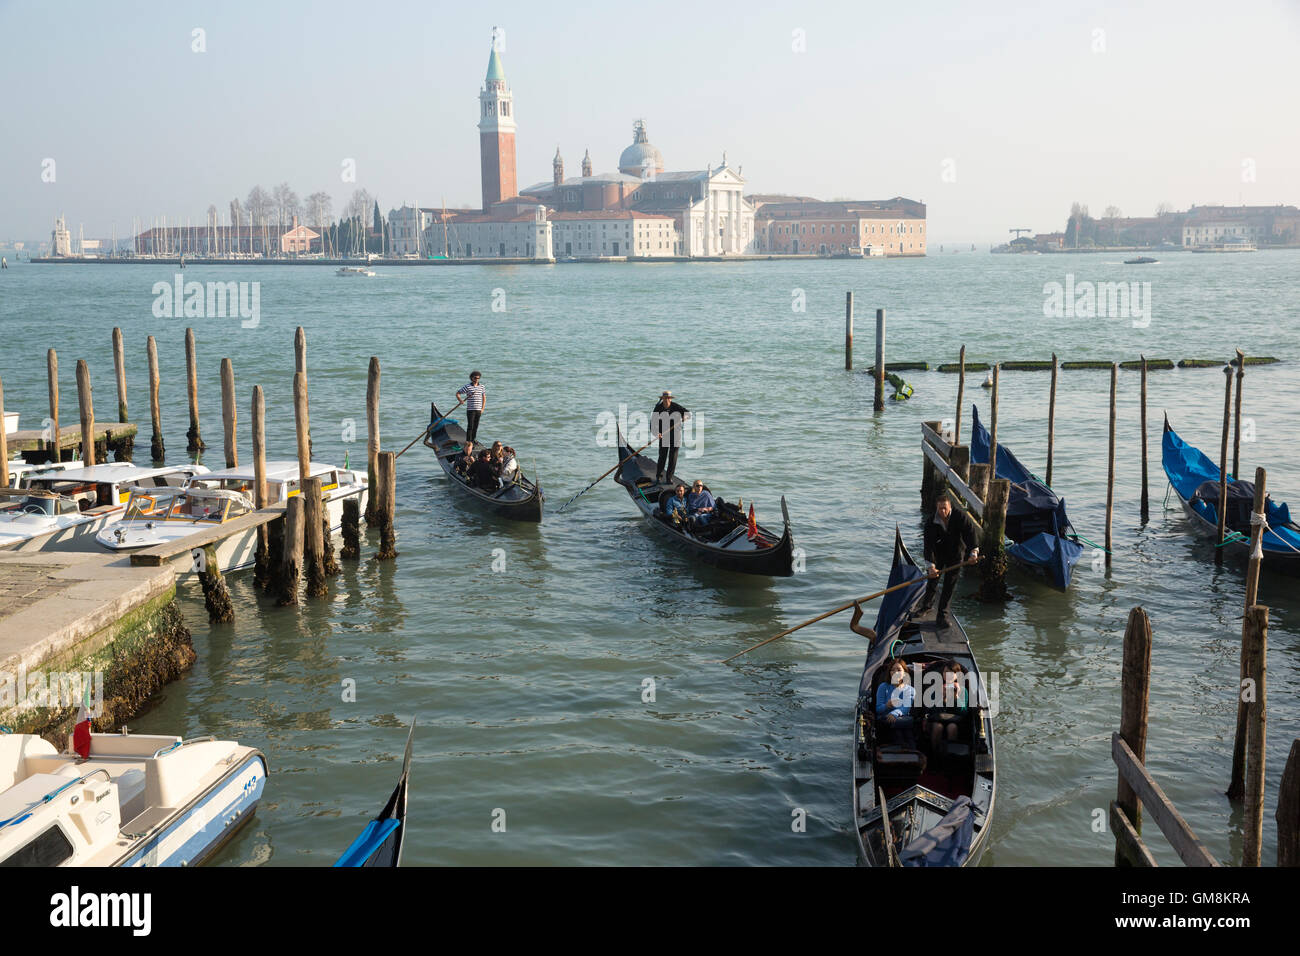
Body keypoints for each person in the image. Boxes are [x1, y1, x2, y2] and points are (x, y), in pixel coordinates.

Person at [922, 495, 980, 629]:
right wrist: (930, 566)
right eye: (940, 509)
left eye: (945, 508)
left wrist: (973, 553)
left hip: (956, 554)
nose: (942, 511)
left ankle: (942, 615)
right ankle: (926, 606)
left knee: (949, 585)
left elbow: (970, 534)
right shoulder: (931, 522)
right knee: (932, 580)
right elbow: (928, 546)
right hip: (938, 554)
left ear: (950, 507)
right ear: (936, 507)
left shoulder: (960, 517)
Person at [925, 661, 969, 756]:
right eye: (945, 672)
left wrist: (956, 697)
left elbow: (964, 712)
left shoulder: (962, 690)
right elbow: (930, 710)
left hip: (955, 721)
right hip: (936, 719)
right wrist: (942, 698)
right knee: (938, 727)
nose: (947, 675)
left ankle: (950, 755)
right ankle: (934, 754)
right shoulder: (936, 688)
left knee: (952, 727)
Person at [650, 390, 690, 485]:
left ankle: (669, 478)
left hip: (676, 435)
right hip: (663, 434)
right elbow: (652, 423)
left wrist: (685, 417)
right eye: (664, 398)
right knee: (662, 456)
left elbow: (688, 413)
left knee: (673, 458)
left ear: (670, 399)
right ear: (662, 399)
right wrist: (657, 433)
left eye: (668, 398)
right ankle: (658, 476)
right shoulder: (658, 408)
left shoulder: (676, 406)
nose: (666, 400)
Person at [875, 659, 915, 741]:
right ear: (889, 673)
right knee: (899, 732)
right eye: (892, 670)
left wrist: (894, 713)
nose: (895, 672)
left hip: (902, 719)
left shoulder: (910, 690)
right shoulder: (883, 687)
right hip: (884, 719)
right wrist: (887, 705)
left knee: (904, 732)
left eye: (899, 670)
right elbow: (878, 709)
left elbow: (906, 708)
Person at [456, 371, 486, 444]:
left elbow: (484, 398)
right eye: (475, 378)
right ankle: (468, 441)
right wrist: (460, 400)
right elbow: (458, 393)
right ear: (471, 378)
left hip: (478, 409)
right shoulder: (467, 387)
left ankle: (473, 440)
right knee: (470, 426)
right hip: (470, 409)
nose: (476, 380)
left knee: (476, 426)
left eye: (478, 378)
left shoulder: (482, 387)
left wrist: (482, 408)